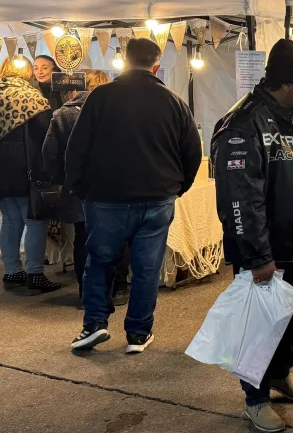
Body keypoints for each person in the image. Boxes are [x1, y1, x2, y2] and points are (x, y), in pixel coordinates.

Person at [212, 39, 293, 433]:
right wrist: (257, 255)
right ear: (287, 83)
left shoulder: (288, 115)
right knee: (260, 325)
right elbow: (240, 196)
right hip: (264, 246)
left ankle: (278, 372)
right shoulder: (244, 123)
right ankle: (255, 399)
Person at [67, 39, 201, 354]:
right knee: (146, 268)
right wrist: (178, 187)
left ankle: (94, 324)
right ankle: (138, 334)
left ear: (125, 61)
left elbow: (77, 148)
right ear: (156, 65)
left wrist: (80, 188)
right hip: (157, 197)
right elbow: (192, 152)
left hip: (106, 197)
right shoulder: (173, 101)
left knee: (100, 261)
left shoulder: (100, 97)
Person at [0, 57, 61, 294]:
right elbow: (47, 131)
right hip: (22, 169)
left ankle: (12, 272)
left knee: (11, 220)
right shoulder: (29, 96)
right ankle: (35, 274)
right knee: (35, 220)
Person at [42, 70, 130, 307]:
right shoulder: (121, 111)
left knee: (84, 239)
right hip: (116, 185)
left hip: (78, 187)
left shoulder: (64, 113)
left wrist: (63, 178)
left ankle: (86, 292)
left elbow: (49, 154)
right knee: (119, 237)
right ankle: (119, 288)